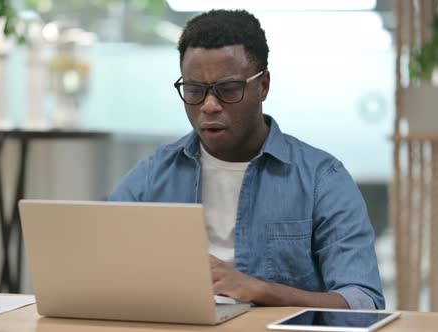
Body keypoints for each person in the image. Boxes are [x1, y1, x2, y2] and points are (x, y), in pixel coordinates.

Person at [109, 9, 384, 309]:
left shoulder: (322, 179)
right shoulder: (154, 175)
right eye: (194, 90)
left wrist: (259, 290)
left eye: (227, 90)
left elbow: (363, 301)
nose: (209, 105)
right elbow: (98, 265)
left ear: (263, 86)